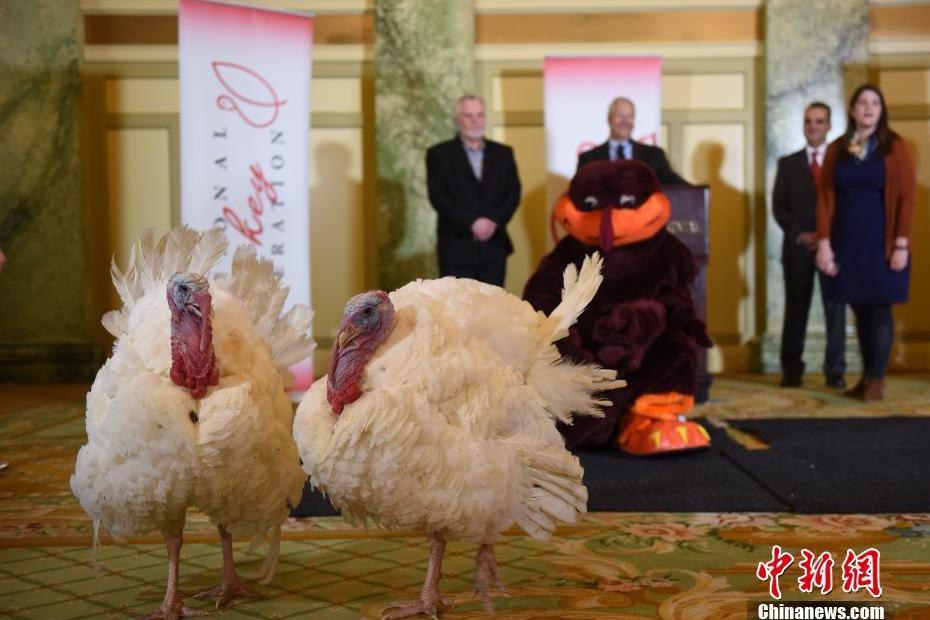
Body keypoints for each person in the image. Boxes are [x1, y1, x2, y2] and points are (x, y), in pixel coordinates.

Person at [815, 84, 916, 402]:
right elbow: (824, 199)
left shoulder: (895, 147)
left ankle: (877, 379)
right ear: (852, 109)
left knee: (879, 307)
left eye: (875, 103)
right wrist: (824, 243)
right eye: (862, 103)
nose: (869, 108)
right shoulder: (836, 149)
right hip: (847, 240)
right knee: (859, 306)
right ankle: (866, 377)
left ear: (881, 110)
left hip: (882, 241)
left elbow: (907, 197)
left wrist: (901, 243)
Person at [773, 102, 847, 389]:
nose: (813, 126)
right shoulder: (788, 164)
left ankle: (835, 371)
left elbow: (846, 204)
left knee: (835, 311)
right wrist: (801, 235)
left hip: (834, 249)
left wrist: (828, 237)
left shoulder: (841, 164)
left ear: (829, 125)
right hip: (798, 250)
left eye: (819, 121)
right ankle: (791, 372)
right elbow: (779, 207)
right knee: (796, 312)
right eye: (808, 121)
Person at [426, 94, 521, 286]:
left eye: (479, 115)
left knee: (493, 311)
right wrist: (473, 222)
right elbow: (438, 196)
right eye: (468, 115)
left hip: (494, 248)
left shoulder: (503, 153)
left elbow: (513, 192)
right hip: (456, 250)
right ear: (457, 119)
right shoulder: (438, 154)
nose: (475, 121)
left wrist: (493, 222)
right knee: (457, 313)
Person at [578, 96, 689, 185]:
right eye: (620, 115)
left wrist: (697, 191)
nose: (625, 121)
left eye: (630, 116)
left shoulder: (654, 155)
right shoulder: (588, 159)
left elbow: (674, 183)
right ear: (609, 119)